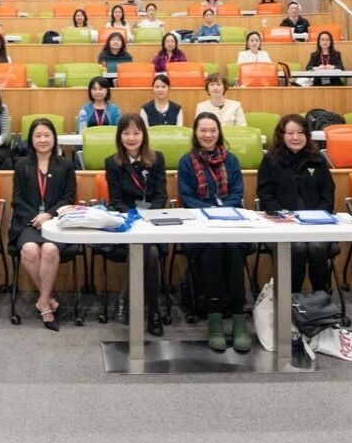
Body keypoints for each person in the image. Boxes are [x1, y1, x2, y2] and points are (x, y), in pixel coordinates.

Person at [178, 112, 249, 352]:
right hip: (199, 225)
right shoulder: (186, 162)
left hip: (230, 223)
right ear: (195, 133)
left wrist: (223, 211)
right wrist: (209, 211)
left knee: (233, 247)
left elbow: (237, 193)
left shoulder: (232, 160)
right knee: (215, 248)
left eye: (212, 130)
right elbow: (187, 197)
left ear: (219, 133)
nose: (208, 135)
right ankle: (215, 318)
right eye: (203, 130)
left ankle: (239, 317)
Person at [101, 114, 168, 335]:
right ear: (119, 136)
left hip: (152, 222)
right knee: (149, 253)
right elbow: (116, 200)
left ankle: (126, 299)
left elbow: (161, 195)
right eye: (126, 133)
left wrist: (147, 215)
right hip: (127, 224)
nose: (131, 138)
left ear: (143, 135)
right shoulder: (112, 162)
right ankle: (154, 313)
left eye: (136, 133)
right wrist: (133, 217)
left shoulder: (157, 158)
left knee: (149, 250)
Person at [10, 117, 77, 330]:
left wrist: (48, 215)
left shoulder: (66, 165)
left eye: (47, 135)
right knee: (29, 250)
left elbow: (69, 198)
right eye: (37, 135)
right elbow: (17, 199)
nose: (42, 140)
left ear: (54, 138)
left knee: (49, 249)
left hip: (57, 223)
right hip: (28, 222)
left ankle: (43, 301)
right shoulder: (21, 165)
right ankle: (47, 301)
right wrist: (36, 218)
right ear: (31, 139)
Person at [257, 115, 337, 293]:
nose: (296, 137)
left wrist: (319, 216)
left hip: (316, 225)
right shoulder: (270, 160)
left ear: (307, 135)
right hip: (282, 224)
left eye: (300, 133)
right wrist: (282, 215)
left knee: (317, 247)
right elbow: (265, 194)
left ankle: (321, 295)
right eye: (290, 133)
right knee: (298, 247)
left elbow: (328, 193)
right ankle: (292, 296)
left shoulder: (317, 159)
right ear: (281, 135)